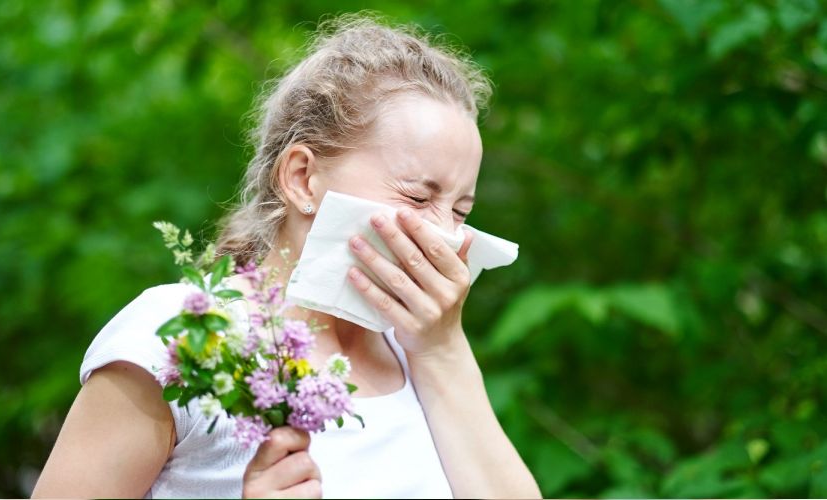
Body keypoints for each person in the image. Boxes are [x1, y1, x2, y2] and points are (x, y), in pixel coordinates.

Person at [32, 14, 542, 499]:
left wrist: (441, 348)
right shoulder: (183, 335)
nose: (444, 233)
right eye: (417, 196)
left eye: (460, 210)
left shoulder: (417, 350)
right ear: (302, 178)